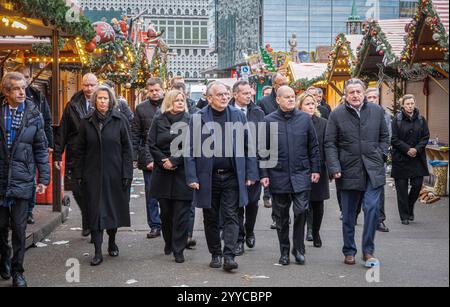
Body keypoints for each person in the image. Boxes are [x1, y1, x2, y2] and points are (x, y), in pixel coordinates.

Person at [185, 82, 258, 272]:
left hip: (232, 176)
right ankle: (215, 253)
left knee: (231, 215)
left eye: (226, 94)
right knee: (210, 217)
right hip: (207, 177)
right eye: (220, 95)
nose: (225, 97)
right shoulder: (197, 118)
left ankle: (229, 256)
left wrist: (251, 173)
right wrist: (192, 176)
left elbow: (248, 145)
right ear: (209, 98)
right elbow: (190, 150)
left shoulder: (238, 115)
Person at [325, 78, 390, 268]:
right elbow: (329, 143)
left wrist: (382, 154)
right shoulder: (336, 114)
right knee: (349, 215)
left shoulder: (377, 111)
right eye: (351, 92)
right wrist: (335, 167)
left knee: (371, 209)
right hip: (347, 171)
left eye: (358, 92)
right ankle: (349, 250)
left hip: (373, 169)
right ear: (346, 94)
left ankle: (368, 251)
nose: (355, 95)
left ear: (363, 93)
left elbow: (385, 136)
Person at [260, 86, 321, 266]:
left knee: (301, 211)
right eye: (286, 97)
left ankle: (299, 248)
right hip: (278, 174)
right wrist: (264, 174)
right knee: (281, 216)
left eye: (293, 97)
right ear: (278, 100)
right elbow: (263, 151)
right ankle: (284, 251)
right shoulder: (268, 120)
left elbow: (313, 146)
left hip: (301, 173)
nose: (291, 100)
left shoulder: (304, 119)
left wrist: (315, 169)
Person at [74, 86, 133, 267]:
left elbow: (127, 149)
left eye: (105, 98)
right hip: (92, 175)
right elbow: (79, 150)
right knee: (95, 212)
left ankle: (112, 241)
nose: (102, 101)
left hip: (114, 174)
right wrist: (78, 174)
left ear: (111, 101)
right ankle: (97, 251)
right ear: (94, 101)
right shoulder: (86, 122)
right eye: (99, 98)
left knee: (113, 210)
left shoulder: (119, 120)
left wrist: (127, 173)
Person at [0, 72, 50, 287]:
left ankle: (18, 271)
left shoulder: (33, 114)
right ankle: (4, 259)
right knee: (1, 226)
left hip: (22, 178)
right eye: (17, 89)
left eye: (24, 88)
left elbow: (40, 147)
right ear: (6, 92)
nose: (22, 92)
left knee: (19, 229)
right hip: (1, 177)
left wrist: (44, 177)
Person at [148, 90, 193, 263]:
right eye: (176, 100)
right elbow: (151, 143)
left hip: (182, 171)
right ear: (169, 102)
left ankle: (178, 248)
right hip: (162, 172)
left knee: (181, 213)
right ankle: (168, 241)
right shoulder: (159, 120)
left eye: (182, 100)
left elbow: (192, 144)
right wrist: (163, 160)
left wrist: (175, 160)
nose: (180, 103)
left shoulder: (190, 120)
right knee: (166, 213)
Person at [54, 73, 98, 238]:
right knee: (78, 191)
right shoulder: (72, 104)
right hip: (76, 154)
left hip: (96, 155)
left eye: (92, 85)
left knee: (94, 192)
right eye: (86, 85)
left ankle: (94, 227)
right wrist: (58, 155)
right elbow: (63, 130)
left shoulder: (103, 102)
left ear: (97, 84)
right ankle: (87, 218)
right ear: (82, 85)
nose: (89, 88)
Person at [13, 65, 53, 225]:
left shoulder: (38, 95)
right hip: (14, 146)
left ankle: (28, 211)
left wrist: (48, 143)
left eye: (27, 76)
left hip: (32, 143)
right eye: (22, 76)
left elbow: (47, 121)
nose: (26, 80)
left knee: (30, 179)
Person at [230, 81, 265, 256]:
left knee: (252, 202)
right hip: (234, 165)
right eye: (245, 93)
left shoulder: (258, 112)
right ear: (235, 94)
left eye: (250, 93)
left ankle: (249, 229)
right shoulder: (227, 111)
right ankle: (239, 239)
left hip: (254, 164)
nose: (249, 96)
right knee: (236, 204)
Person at [131, 78, 164, 239]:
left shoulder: (169, 105)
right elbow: (135, 133)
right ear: (147, 91)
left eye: (157, 90)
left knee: (167, 193)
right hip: (148, 156)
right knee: (151, 193)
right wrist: (135, 157)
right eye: (151, 90)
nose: (155, 93)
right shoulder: (141, 108)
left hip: (167, 156)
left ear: (162, 89)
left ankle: (168, 222)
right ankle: (155, 225)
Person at [391, 94, 430, 225]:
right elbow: (394, 139)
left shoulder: (421, 119)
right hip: (401, 158)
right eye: (407, 104)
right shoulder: (397, 120)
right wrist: (407, 149)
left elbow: (425, 137)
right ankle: (404, 216)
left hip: (417, 159)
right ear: (403, 105)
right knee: (401, 190)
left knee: (417, 185)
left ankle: (409, 206)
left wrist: (416, 149)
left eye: (412, 103)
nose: (410, 106)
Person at [297, 93, 330, 248]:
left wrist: (330, 167)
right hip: (300, 168)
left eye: (312, 104)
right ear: (300, 106)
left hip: (319, 167)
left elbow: (328, 145)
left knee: (318, 204)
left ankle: (315, 231)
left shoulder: (323, 123)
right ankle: (305, 231)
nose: (311, 106)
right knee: (302, 204)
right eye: (307, 104)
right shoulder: (296, 122)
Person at [257, 73, 289, 226]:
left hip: (288, 146)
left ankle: (284, 215)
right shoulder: (263, 102)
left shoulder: (291, 99)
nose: (283, 85)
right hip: (270, 147)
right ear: (274, 85)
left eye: (286, 82)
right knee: (276, 185)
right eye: (280, 83)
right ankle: (278, 217)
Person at [366, 88, 391, 233]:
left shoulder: (384, 115)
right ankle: (355, 214)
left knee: (379, 190)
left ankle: (379, 219)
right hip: (360, 159)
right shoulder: (360, 114)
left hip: (377, 160)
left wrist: (381, 154)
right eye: (369, 97)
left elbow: (386, 136)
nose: (372, 100)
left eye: (374, 97)